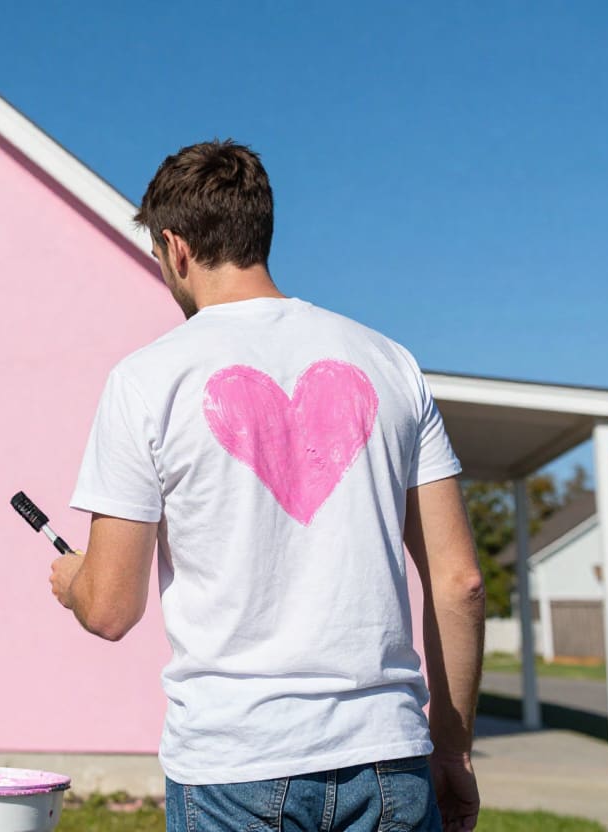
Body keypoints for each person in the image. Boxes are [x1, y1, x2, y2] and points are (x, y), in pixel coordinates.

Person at [49, 140, 485, 831]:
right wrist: (453, 751)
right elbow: (461, 580)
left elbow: (109, 608)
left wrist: (73, 579)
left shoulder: (145, 380)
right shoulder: (391, 364)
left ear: (175, 247)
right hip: (390, 757)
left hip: (233, 767)